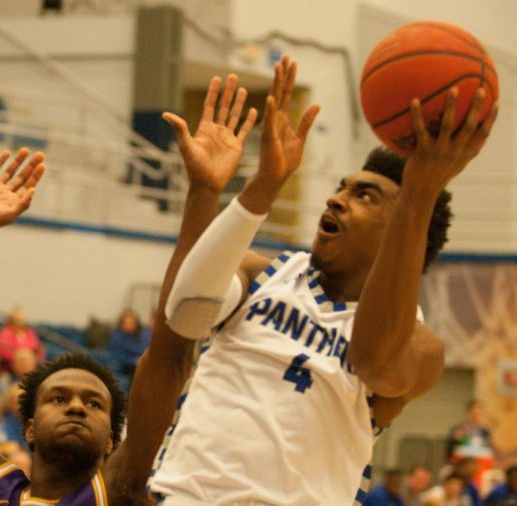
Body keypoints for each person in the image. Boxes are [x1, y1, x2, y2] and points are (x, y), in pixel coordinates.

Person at [0, 70, 258, 504]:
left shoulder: (117, 490)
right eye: (59, 398)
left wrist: (202, 192)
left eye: (94, 404)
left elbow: (171, 350)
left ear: (111, 442)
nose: (77, 407)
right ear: (27, 427)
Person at [147, 55, 498, 505]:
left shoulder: (418, 346)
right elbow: (185, 313)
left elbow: (373, 361)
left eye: (364, 196)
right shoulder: (263, 274)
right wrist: (257, 186)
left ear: (403, 231)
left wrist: (420, 192)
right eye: (342, 186)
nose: (336, 199)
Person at [0, 307, 45, 373]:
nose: (20, 320)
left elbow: (38, 350)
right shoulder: (4, 332)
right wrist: (19, 354)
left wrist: (28, 354)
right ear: (12, 319)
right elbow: (2, 350)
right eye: (18, 318)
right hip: (10, 366)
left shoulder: (30, 332)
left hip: (30, 363)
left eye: (22, 317)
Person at [107, 309, 150, 381]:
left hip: (139, 364)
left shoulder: (138, 336)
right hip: (125, 366)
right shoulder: (117, 337)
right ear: (121, 323)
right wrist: (133, 361)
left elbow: (142, 349)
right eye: (126, 323)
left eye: (131, 323)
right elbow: (118, 356)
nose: (128, 326)